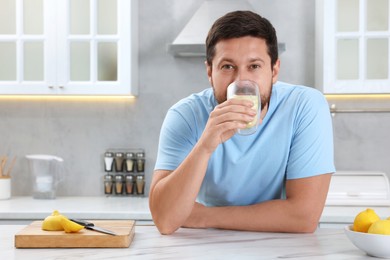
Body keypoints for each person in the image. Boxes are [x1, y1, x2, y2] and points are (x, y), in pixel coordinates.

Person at [149, 10, 335, 235]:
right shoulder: (185, 115)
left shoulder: (305, 106)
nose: (241, 81)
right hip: (207, 246)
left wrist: (202, 216)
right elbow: (165, 220)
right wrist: (205, 146)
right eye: (227, 66)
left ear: (274, 70)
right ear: (209, 71)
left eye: (254, 66)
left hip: (280, 245)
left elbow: (303, 217)